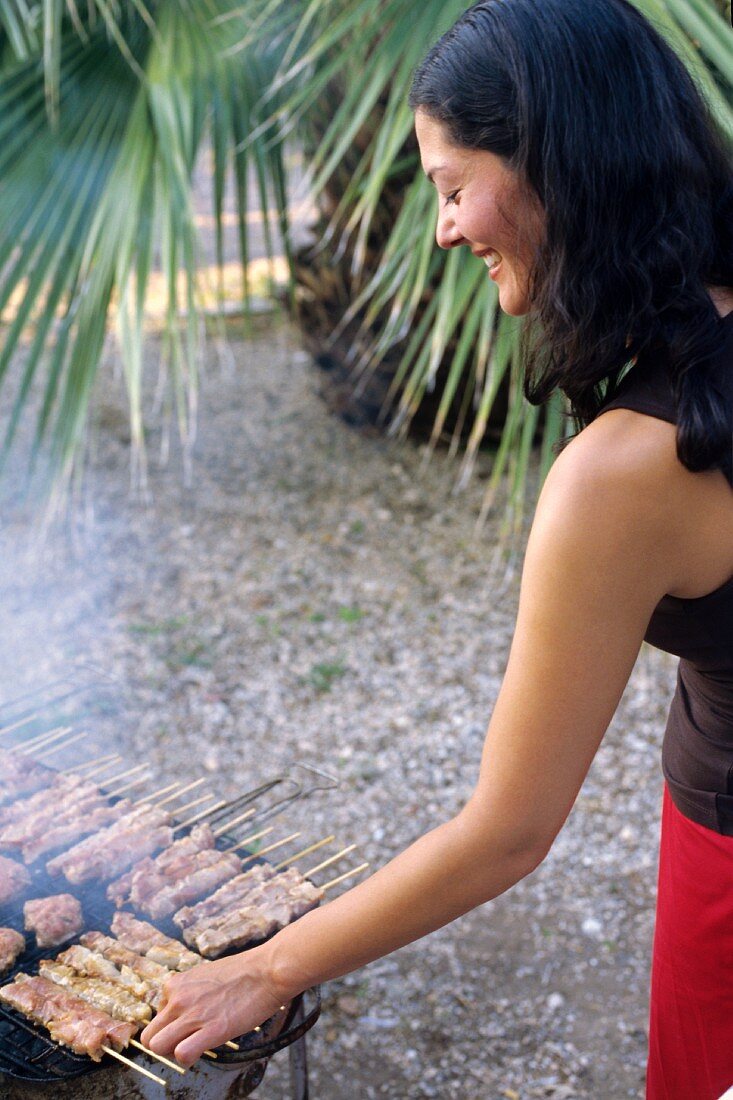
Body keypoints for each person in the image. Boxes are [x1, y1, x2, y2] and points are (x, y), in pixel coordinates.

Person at [141, 1, 733, 1095]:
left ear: (562, 167)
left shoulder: (621, 478)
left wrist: (267, 966)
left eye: (454, 185)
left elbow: (507, 831)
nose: (443, 230)